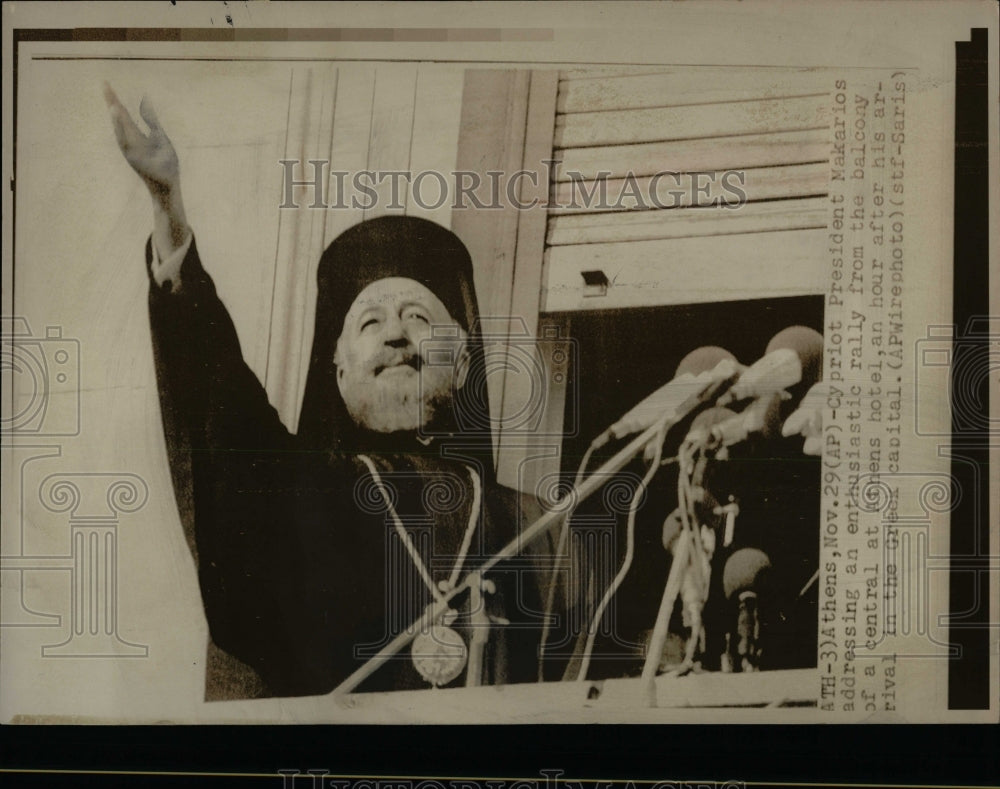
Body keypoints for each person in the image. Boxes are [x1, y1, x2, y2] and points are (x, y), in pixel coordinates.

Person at [104, 85, 547, 700]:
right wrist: (168, 211)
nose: (395, 333)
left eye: (419, 318)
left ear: (464, 365)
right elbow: (221, 402)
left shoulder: (539, 526)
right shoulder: (298, 493)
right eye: (369, 322)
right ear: (338, 371)